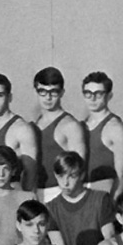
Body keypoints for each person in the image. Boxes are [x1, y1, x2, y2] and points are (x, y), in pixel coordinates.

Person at [33, 67, 85, 202]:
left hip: (60, 192)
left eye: (53, 92)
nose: (48, 97)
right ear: (36, 91)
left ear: (62, 92)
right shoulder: (34, 124)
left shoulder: (70, 126)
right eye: (43, 91)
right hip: (35, 192)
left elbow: (79, 169)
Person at [0, 74, 38, 191]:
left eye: (0, 95)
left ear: (10, 97)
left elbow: (30, 172)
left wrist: (25, 198)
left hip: (12, 192)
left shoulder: (22, 129)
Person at [80, 71, 123, 197]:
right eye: (88, 93)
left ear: (109, 96)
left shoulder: (116, 128)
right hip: (80, 192)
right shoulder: (80, 126)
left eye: (98, 94)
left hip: (104, 192)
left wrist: (114, 203)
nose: (92, 98)